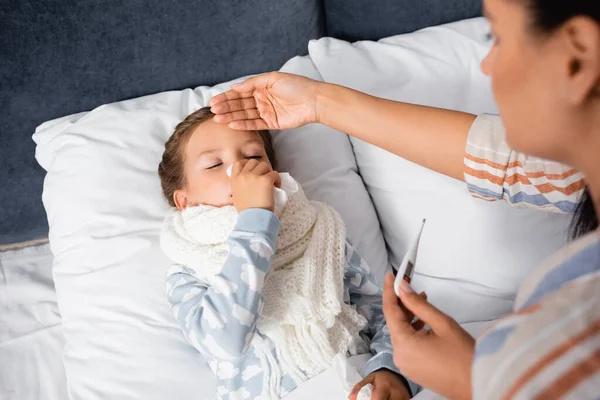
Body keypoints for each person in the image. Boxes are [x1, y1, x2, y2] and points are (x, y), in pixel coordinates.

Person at [208, 0, 600, 397]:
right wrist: (319, 103)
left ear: (578, 54)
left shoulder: (572, 319)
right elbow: (502, 160)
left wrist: (471, 377)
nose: (486, 65)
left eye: (496, 36)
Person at [157, 107, 412, 400]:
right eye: (215, 164)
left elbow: (381, 315)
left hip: (356, 384)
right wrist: (255, 219)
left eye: (253, 157)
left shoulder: (321, 230)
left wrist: (390, 371)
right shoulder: (188, 271)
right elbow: (226, 340)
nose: (238, 170)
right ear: (184, 201)